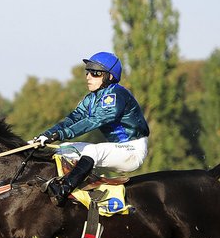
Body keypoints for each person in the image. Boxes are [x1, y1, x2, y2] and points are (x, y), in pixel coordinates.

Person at [31, 51, 150, 206]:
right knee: (64, 149)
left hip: (132, 151)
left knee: (92, 151)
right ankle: (76, 190)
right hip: (117, 148)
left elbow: (94, 120)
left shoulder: (115, 94)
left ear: (110, 77)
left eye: (95, 73)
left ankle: (64, 190)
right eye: (88, 72)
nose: (88, 76)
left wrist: (59, 134)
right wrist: (45, 136)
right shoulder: (91, 99)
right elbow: (72, 119)